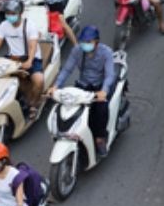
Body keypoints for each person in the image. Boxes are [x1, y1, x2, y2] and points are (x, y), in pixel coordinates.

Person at [50, 25, 117, 158]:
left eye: (88, 42)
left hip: (100, 87)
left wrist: (103, 91)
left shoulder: (106, 52)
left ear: (96, 41)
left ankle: (100, 138)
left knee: (101, 109)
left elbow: (110, 75)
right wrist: (56, 86)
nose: (85, 45)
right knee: (69, 107)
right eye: (83, 42)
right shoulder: (77, 51)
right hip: (83, 86)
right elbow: (67, 70)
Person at [0, 0, 45, 117]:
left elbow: (32, 45)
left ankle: (33, 105)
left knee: (39, 81)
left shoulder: (30, 26)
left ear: (20, 13)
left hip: (31, 58)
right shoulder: (4, 25)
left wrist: (30, 60)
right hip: (12, 59)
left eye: (13, 14)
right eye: (8, 14)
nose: (10, 16)